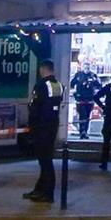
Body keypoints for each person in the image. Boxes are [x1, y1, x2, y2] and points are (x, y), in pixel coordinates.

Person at [23, 59, 63, 203]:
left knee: (45, 162)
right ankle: (39, 189)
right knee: (46, 160)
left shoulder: (40, 85)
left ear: (42, 69)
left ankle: (47, 193)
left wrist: (31, 129)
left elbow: (34, 107)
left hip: (41, 127)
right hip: (52, 125)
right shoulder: (58, 85)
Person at [70, 63, 100, 139]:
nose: (86, 68)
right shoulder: (78, 75)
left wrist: (95, 91)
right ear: (83, 67)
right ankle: (82, 131)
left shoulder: (93, 75)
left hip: (90, 99)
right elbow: (72, 84)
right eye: (85, 67)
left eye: (88, 67)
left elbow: (99, 85)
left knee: (87, 116)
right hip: (80, 100)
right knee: (82, 115)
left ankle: (85, 131)